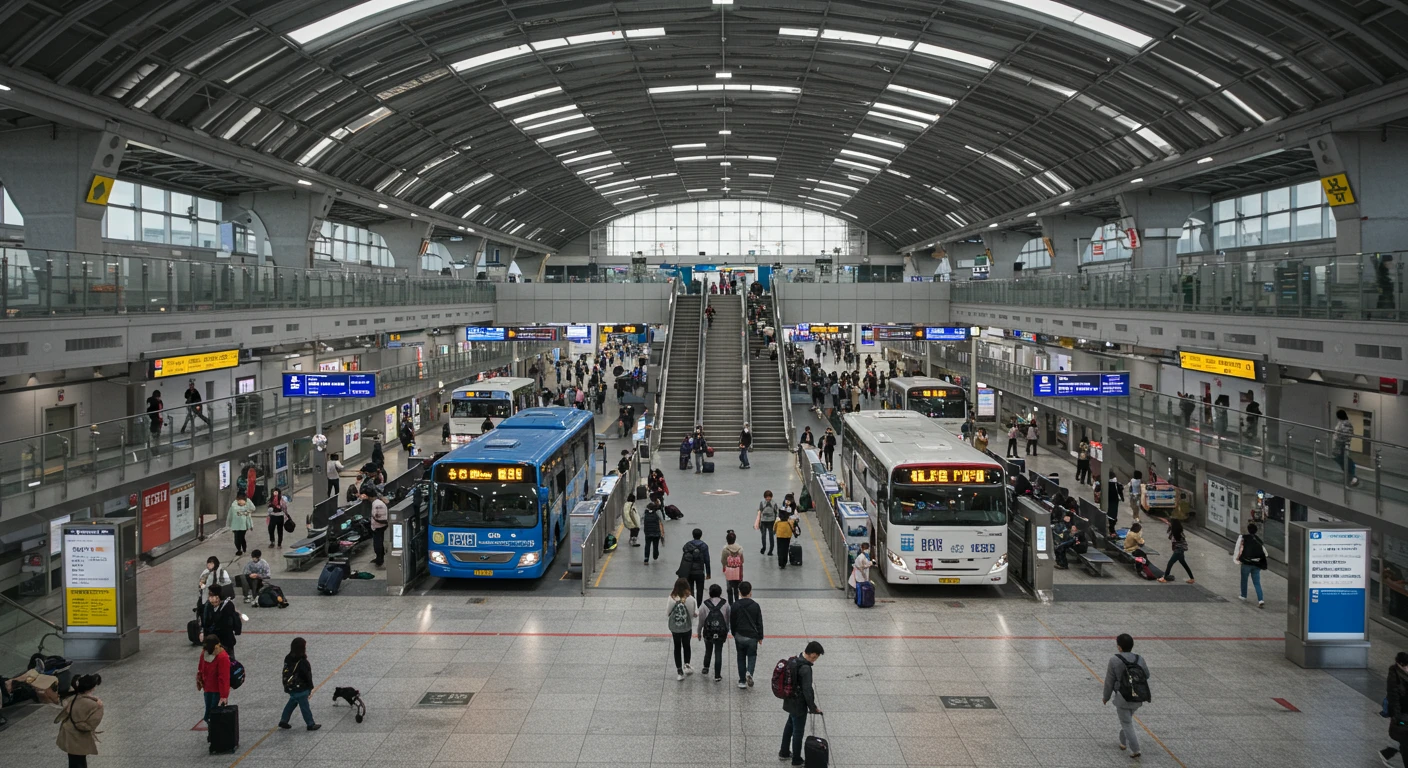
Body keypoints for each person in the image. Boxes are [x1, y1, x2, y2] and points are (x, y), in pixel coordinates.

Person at [1101, 633, 1150, 759]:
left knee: (1126, 723)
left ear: (1119, 647)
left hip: (1122, 697)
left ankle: (1135, 749)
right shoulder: (1139, 659)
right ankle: (1123, 742)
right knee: (1126, 720)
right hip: (1137, 695)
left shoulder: (1114, 660)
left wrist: (1106, 697)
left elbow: (1109, 681)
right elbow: (1147, 675)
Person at [779, 641, 825, 766]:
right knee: (798, 732)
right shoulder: (805, 668)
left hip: (789, 700)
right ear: (813, 654)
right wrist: (813, 707)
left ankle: (784, 752)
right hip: (799, 705)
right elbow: (807, 690)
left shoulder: (794, 660)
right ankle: (796, 759)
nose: (815, 660)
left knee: (789, 726)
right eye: (816, 657)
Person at [55, 673, 104, 768]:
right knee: (80, 760)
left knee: (73, 759)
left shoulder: (71, 698)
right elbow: (91, 724)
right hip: (79, 737)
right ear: (93, 687)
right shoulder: (95, 705)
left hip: (68, 733)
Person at [279, 637, 321, 731]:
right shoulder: (303, 662)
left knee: (292, 702)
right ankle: (310, 724)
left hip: (290, 686)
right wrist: (310, 687)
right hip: (301, 688)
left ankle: (284, 720)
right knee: (305, 706)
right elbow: (307, 676)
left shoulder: (288, 658)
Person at [731, 581, 765, 689]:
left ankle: (741, 681)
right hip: (752, 637)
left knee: (740, 657)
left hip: (739, 635)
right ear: (750, 592)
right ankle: (749, 672)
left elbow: (732, 621)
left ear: (739, 592)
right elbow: (759, 622)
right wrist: (760, 636)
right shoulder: (755, 606)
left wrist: (734, 633)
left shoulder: (735, 605)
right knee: (752, 655)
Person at [696, 584, 731, 682]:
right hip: (720, 632)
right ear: (720, 592)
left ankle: (706, 667)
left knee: (708, 649)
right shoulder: (725, 604)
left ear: (710, 593)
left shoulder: (704, 604)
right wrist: (726, 630)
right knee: (718, 652)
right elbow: (727, 619)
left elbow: (701, 621)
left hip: (708, 631)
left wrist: (699, 632)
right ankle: (717, 675)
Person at [667, 578, 698, 681]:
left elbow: (668, 612)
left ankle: (679, 671)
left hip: (675, 628)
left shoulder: (672, 598)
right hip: (686, 627)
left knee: (677, 647)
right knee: (686, 645)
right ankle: (687, 665)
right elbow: (695, 613)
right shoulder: (691, 598)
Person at [1381, 651, 1408, 765]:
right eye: (1406, 666)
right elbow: (1394, 700)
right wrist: (1398, 718)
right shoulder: (1394, 678)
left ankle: (1387, 753)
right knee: (1404, 739)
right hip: (1402, 713)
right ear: (1400, 664)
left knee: (1404, 740)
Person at [197, 635, 230, 726]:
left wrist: (200, 681)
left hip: (208, 688)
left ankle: (211, 731)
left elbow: (200, 669)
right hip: (217, 690)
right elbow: (224, 678)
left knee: (209, 712)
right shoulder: (222, 656)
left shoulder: (204, 653)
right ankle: (215, 732)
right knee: (216, 714)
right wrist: (224, 696)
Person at [1234, 522, 1268, 607]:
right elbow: (1266, 553)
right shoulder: (1258, 540)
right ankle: (1260, 599)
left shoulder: (1243, 538)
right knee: (1257, 582)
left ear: (1248, 530)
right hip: (1257, 564)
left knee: (1244, 579)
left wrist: (1237, 559)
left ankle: (1243, 595)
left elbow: (1239, 548)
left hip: (1246, 563)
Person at [200, 590, 240, 658]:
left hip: (224, 639)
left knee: (228, 659)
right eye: (211, 597)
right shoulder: (207, 607)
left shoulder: (227, 606)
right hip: (215, 640)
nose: (213, 600)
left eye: (216, 598)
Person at [678, 528, 711, 601]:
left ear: (693, 535)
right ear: (701, 535)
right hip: (700, 571)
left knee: (690, 589)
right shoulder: (704, 546)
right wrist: (708, 573)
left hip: (689, 571)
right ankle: (699, 605)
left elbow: (684, 558)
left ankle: (692, 604)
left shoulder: (688, 545)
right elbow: (707, 560)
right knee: (700, 590)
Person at [1158, 519, 1195, 584]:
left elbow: (1172, 538)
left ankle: (1164, 578)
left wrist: (1169, 526)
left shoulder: (1178, 534)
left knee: (1170, 563)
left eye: (1170, 523)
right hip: (1179, 550)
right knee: (1184, 564)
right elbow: (1170, 536)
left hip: (1178, 550)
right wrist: (1169, 525)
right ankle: (1192, 578)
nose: (1169, 524)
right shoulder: (1176, 531)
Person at [1333, 409, 1361, 486]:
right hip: (1339, 446)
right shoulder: (1342, 423)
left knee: (1344, 461)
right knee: (1341, 460)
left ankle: (1352, 477)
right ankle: (1350, 477)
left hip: (1341, 446)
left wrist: (1338, 439)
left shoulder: (1346, 424)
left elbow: (1345, 435)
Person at [227, 490, 254, 556]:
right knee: (237, 538)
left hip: (243, 525)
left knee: (241, 537)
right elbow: (231, 514)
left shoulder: (247, 501)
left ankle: (243, 548)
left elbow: (253, 508)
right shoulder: (234, 504)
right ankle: (239, 549)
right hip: (235, 525)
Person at [721, 530, 744, 603]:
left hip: (729, 570)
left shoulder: (725, 549)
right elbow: (742, 560)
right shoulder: (740, 549)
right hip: (738, 570)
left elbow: (723, 561)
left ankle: (731, 603)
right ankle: (737, 601)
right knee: (737, 588)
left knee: (729, 588)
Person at [755, 490, 780, 556]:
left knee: (771, 536)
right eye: (767, 497)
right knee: (763, 536)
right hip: (763, 522)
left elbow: (776, 512)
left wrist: (776, 521)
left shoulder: (774, 503)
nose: (768, 498)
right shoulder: (762, 503)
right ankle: (764, 548)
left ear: (771, 497)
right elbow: (760, 512)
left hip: (771, 522)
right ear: (764, 497)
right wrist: (758, 521)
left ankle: (770, 550)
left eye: (769, 497)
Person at [368, 491, 389, 567]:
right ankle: (379, 557)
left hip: (378, 527)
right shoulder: (377, 503)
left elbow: (379, 517)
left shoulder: (377, 504)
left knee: (377, 544)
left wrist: (373, 517)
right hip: (379, 526)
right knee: (379, 542)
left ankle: (379, 559)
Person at [642, 498, 664, 565]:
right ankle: (655, 555)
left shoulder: (645, 513)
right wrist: (662, 533)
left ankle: (646, 559)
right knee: (655, 545)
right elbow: (662, 521)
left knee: (647, 545)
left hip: (648, 532)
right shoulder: (658, 513)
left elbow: (642, 520)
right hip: (656, 532)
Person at [1104, 470, 1124, 536]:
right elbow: (1119, 491)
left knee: (1110, 515)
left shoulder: (1107, 484)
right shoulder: (1115, 484)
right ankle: (1111, 530)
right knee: (1113, 515)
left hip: (1109, 502)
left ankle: (1111, 528)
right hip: (1114, 501)